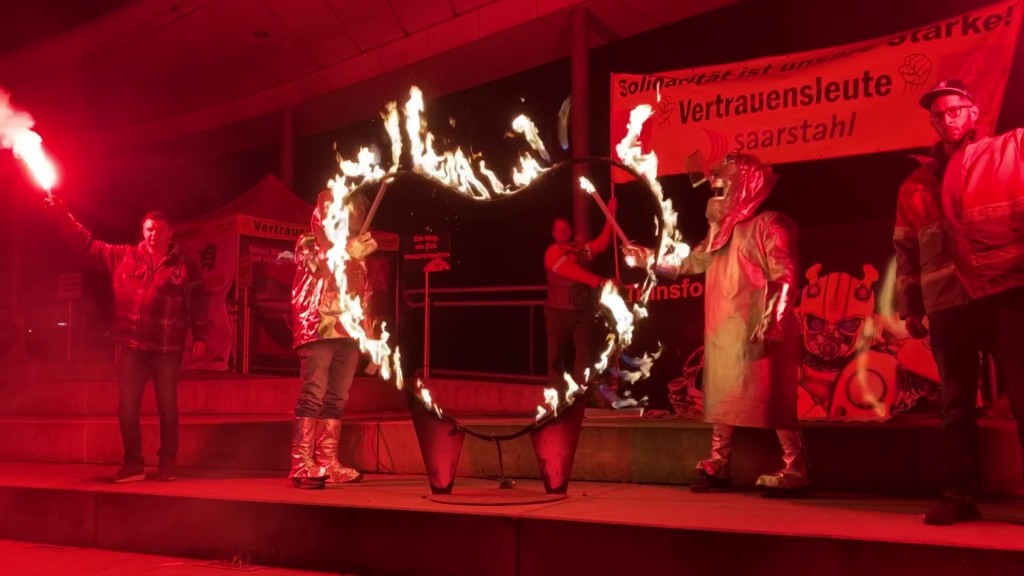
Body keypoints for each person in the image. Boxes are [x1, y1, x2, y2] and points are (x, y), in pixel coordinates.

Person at [636, 151, 809, 496]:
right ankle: (719, 463)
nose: (715, 198)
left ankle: (795, 467)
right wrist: (648, 260)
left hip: (756, 330)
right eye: (714, 190)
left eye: (721, 189)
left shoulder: (769, 225)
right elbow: (688, 263)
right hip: (724, 334)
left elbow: (785, 273)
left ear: (744, 188)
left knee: (773, 399)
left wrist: (773, 317)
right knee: (722, 399)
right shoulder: (718, 236)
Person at [893, 78, 1024, 525]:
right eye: (938, 114)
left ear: (973, 112)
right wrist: (911, 304)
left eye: (954, 110)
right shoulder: (914, 183)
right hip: (948, 302)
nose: (946, 119)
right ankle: (958, 494)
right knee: (955, 404)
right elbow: (905, 249)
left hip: (1006, 292)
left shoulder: (1012, 150)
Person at [44, 198, 208, 483]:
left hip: (167, 349)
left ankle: (167, 464)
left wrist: (201, 335)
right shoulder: (125, 257)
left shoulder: (185, 266)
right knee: (127, 408)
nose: (152, 234)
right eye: (148, 229)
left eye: (158, 229)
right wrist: (63, 216)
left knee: (167, 408)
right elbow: (88, 246)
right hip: (133, 346)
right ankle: (133, 464)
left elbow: (198, 302)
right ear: (142, 231)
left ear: (170, 233)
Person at [289, 189, 378, 489]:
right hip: (318, 328)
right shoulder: (307, 243)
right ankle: (301, 464)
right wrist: (347, 251)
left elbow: (363, 293)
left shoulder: (356, 247)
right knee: (313, 393)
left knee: (337, 398)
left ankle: (327, 462)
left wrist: (370, 337)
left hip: (347, 331)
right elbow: (316, 267)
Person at [543, 197, 617, 394]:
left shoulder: (579, 249)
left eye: (566, 228)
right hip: (558, 312)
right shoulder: (551, 252)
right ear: (553, 233)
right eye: (559, 229)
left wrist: (610, 215)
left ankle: (579, 393)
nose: (564, 232)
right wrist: (598, 280)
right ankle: (556, 396)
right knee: (556, 358)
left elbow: (601, 244)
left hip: (583, 311)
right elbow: (572, 271)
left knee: (584, 355)